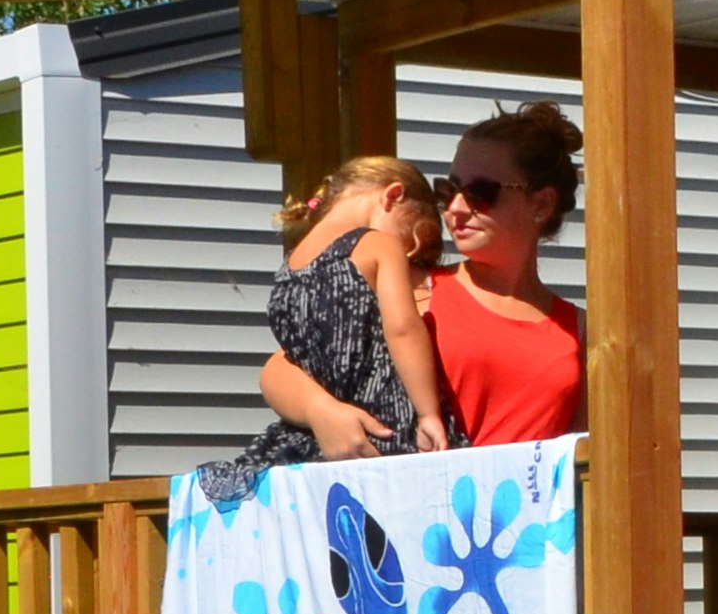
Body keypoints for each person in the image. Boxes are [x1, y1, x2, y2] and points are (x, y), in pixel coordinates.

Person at [209, 155, 459, 494]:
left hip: (315, 440)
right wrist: (428, 413)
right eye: (410, 240)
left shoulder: (292, 263)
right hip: (385, 423)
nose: (407, 257)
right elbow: (403, 329)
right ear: (392, 196)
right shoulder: (377, 245)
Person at [416, 100, 587, 445]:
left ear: (541, 204)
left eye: (481, 193)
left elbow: (584, 457)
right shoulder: (418, 291)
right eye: (448, 191)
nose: (455, 208)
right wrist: (326, 414)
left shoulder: (581, 332)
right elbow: (289, 368)